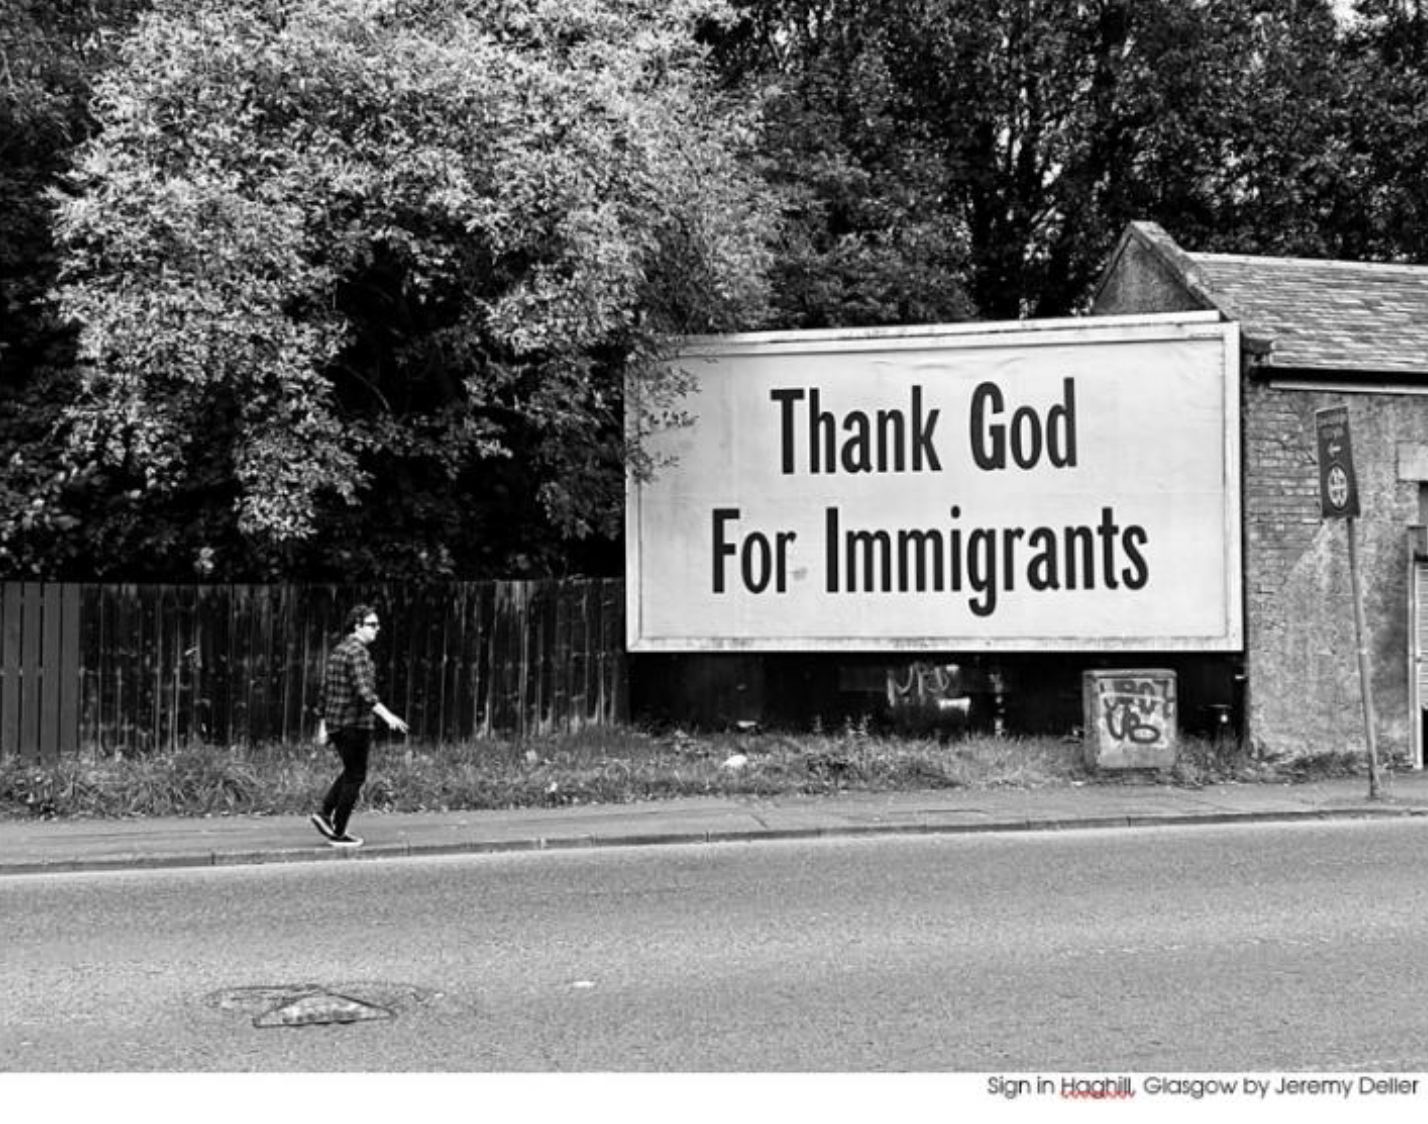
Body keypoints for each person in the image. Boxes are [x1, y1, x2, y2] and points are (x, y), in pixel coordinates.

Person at [311, 604, 409, 848]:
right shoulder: (357, 652)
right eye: (372, 625)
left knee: (350, 771)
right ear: (357, 626)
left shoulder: (339, 650)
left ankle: (324, 813)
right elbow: (364, 692)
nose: (377, 629)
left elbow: (326, 690)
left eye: (377, 624)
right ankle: (338, 831)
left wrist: (323, 725)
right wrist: (387, 716)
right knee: (356, 776)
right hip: (354, 723)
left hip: (337, 723)